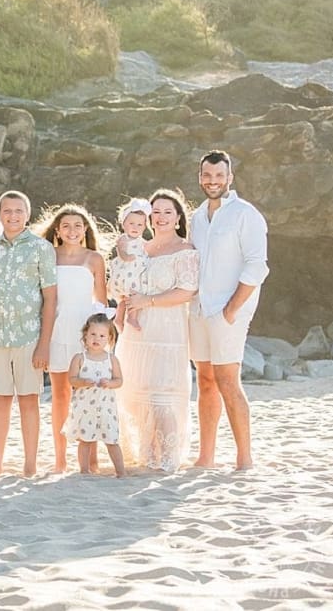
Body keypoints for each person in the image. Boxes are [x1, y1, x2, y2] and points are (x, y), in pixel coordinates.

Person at [189, 151, 269, 471]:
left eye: (219, 176)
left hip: (227, 311)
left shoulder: (245, 214)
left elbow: (257, 266)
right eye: (207, 176)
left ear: (229, 178)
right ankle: (206, 457)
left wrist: (232, 309)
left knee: (227, 380)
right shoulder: (197, 217)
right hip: (199, 310)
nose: (212, 181)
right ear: (200, 178)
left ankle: (244, 457)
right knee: (205, 380)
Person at [117, 189, 199, 472]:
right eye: (156, 212)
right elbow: (125, 280)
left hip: (168, 330)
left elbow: (187, 291)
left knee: (162, 392)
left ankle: (167, 456)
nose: (161, 217)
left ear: (178, 217)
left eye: (167, 212)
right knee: (138, 388)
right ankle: (147, 453)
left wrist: (148, 301)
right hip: (137, 330)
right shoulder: (142, 247)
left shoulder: (185, 250)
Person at [0, 191, 56, 478]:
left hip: (29, 336)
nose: (13, 216)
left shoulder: (40, 248)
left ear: (28, 213)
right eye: (7, 211)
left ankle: (30, 464)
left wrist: (44, 344)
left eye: (18, 211)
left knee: (28, 401)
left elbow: (50, 298)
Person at [39, 204, 108, 473]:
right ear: (57, 230)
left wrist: (100, 339)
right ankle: (60, 458)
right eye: (66, 225)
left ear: (85, 230)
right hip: (56, 330)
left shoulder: (94, 259)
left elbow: (101, 302)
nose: (72, 230)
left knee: (88, 394)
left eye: (78, 226)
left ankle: (91, 458)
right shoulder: (49, 256)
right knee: (60, 395)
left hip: (85, 333)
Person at [62, 313, 126, 478]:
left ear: (109, 338)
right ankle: (84, 470)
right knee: (86, 440)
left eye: (102, 335)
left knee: (112, 440)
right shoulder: (79, 358)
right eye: (93, 334)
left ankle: (121, 471)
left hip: (106, 408)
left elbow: (119, 381)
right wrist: (83, 382)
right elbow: (72, 379)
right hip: (86, 407)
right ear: (85, 335)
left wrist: (109, 383)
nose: (96, 338)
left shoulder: (111, 359)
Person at [110, 199, 152, 332]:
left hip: (136, 273)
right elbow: (120, 251)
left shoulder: (143, 242)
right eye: (131, 223)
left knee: (129, 297)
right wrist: (125, 256)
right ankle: (129, 317)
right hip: (126, 271)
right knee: (129, 294)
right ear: (124, 224)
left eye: (139, 224)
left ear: (144, 227)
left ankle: (120, 317)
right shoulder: (123, 239)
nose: (135, 227)